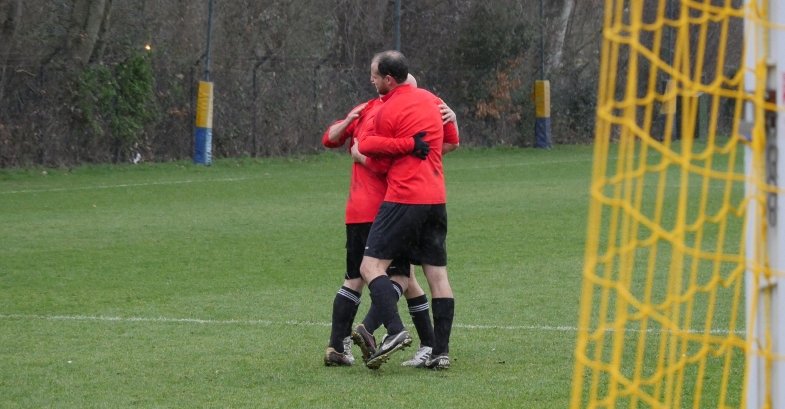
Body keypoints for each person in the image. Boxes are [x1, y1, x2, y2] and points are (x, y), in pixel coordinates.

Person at [321, 74, 458, 367]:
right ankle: (395, 335)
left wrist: (355, 142)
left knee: (381, 277)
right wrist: (408, 146)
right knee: (395, 275)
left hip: (363, 209)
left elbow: (332, 138)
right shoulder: (387, 111)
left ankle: (341, 345)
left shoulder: (374, 109)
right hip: (388, 206)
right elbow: (385, 161)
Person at [357, 50, 456, 370]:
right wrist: (448, 120)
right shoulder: (434, 100)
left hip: (403, 197)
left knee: (370, 267)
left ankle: (396, 331)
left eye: (374, 75)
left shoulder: (387, 108)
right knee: (437, 276)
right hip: (436, 199)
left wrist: (402, 147)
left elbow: (366, 145)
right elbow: (451, 141)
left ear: (389, 79)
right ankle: (440, 353)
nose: (371, 80)